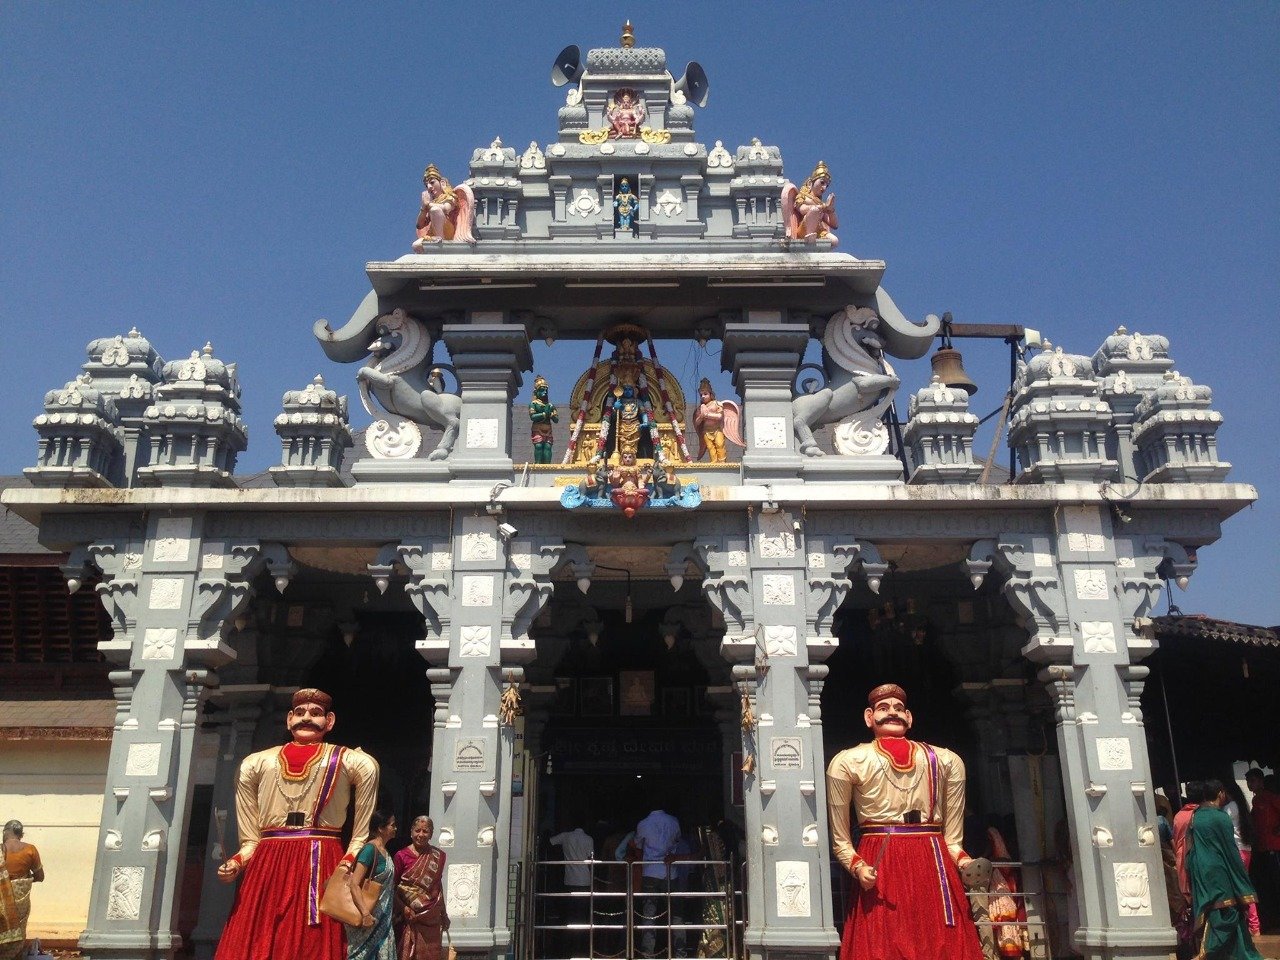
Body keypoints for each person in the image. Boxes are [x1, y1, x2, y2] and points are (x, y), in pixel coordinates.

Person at [215, 688, 380, 960]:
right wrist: (236, 862)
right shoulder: (257, 763)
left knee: (313, 942)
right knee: (258, 936)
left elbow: (360, 834)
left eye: (316, 713)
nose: (307, 718)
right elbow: (251, 840)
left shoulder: (351, 761)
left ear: (330, 721)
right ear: (289, 718)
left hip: (321, 857)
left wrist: (348, 860)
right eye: (300, 712)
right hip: (269, 862)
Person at [825, 683, 983, 960]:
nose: (892, 713)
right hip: (880, 859)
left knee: (939, 941)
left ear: (909, 717)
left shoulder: (947, 761)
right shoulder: (848, 761)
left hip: (931, 858)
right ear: (869, 717)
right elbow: (840, 839)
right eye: (883, 708)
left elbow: (953, 840)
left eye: (899, 708)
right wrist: (857, 866)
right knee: (883, 940)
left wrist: (963, 861)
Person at [1187, 780, 1264, 959]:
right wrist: (1241, 879)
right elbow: (1230, 849)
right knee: (1228, 910)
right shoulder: (1221, 817)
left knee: (1212, 910)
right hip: (1220, 870)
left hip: (1201, 869)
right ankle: (1212, 951)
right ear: (1221, 793)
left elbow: (1189, 848)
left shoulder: (1195, 816)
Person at [394, 815, 450, 960]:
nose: (421, 835)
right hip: (408, 919)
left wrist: (444, 914)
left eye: (425, 831)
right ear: (411, 832)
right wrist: (404, 909)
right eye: (417, 830)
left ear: (431, 834)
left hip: (431, 920)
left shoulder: (437, 855)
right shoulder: (401, 856)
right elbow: (392, 888)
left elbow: (437, 887)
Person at [346, 810, 398, 960]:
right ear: (381, 828)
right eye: (392, 825)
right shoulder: (370, 850)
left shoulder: (385, 852)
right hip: (368, 921)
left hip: (383, 920)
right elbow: (354, 884)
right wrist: (365, 914)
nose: (395, 828)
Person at [633, 802, 682, 958]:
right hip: (670, 872)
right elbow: (678, 840)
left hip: (650, 871)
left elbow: (638, 846)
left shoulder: (643, 824)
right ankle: (680, 953)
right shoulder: (673, 821)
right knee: (676, 914)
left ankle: (648, 953)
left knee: (649, 915)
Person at [549, 823, 594, 957]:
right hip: (585, 881)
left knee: (570, 914)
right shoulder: (589, 839)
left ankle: (568, 947)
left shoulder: (565, 836)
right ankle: (580, 946)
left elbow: (550, 842)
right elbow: (590, 858)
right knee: (582, 915)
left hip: (569, 880)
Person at [0, 820, 42, 960]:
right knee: (18, 933)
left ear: (5, 833)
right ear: (21, 834)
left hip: (1, 900)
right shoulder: (30, 850)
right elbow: (40, 876)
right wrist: (23, 880)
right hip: (21, 902)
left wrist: (6, 883)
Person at [412, 164, 475, 248]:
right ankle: (436, 240)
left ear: (442, 183)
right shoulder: (430, 202)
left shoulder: (450, 196)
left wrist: (429, 205)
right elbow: (419, 225)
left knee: (435, 210)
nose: (429, 187)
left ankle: (440, 238)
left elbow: (446, 208)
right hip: (432, 233)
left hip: (447, 229)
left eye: (432, 182)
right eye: (427, 185)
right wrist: (423, 207)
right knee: (416, 245)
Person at [782, 160, 839, 247]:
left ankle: (814, 239)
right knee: (814, 210)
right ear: (810, 183)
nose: (824, 188)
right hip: (804, 229)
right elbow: (802, 210)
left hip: (819, 231)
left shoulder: (820, 202)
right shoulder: (802, 196)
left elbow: (834, 225)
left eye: (826, 185)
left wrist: (830, 209)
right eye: (822, 182)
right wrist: (821, 207)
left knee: (834, 241)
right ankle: (809, 236)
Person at [528, 375, 559, 464]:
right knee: (538, 446)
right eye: (542, 390)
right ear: (536, 392)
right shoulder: (534, 404)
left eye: (546, 390)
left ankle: (547, 466)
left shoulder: (550, 405)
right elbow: (533, 417)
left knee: (548, 447)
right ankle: (538, 465)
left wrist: (552, 415)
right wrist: (544, 414)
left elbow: (556, 420)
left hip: (548, 429)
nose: (544, 392)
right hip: (537, 428)